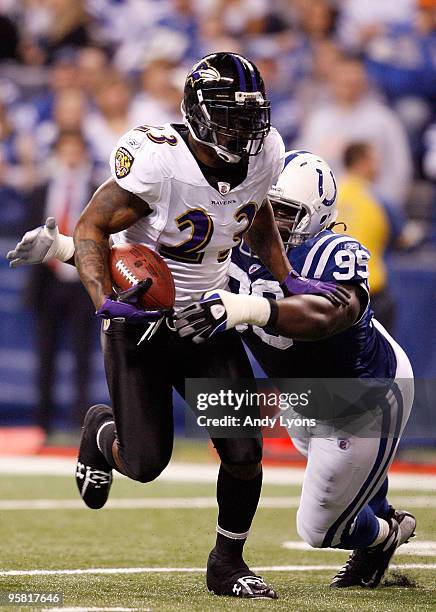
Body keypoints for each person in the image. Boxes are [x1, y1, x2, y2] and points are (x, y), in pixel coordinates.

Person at [6, 53, 347, 600]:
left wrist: (287, 278)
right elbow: (93, 224)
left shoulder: (267, 154)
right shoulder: (159, 159)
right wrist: (105, 301)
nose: (242, 129)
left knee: (243, 450)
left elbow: (254, 211)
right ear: (196, 110)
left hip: (207, 317)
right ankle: (100, 432)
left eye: (249, 116)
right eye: (228, 115)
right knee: (144, 463)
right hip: (140, 316)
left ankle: (227, 563)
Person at [174, 150, 416, 589]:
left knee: (320, 531)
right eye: (263, 206)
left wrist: (243, 306)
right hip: (302, 396)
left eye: (284, 211)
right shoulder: (230, 247)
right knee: (331, 464)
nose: (270, 221)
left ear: (315, 216)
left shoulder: (334, 252)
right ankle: (378, 510)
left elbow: (324, 317)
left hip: (363, 399)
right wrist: (68, 248)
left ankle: (383, 535)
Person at [24, 130, 96, 437]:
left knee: (82, 356)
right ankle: (42, 423)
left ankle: (81, 421)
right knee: (46, 355)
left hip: (82, 281)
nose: (70, 156)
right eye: (65, 150)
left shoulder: (96, 191)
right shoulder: (42, 190)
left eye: (75, 150)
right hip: (48, 281)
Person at [337, 142, 399, 332]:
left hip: (335, 292)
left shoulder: (331, 194)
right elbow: (403, 237)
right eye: (373, 160)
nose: (377, 167)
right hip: (372, 289)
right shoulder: (379, 197)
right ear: (362, 162)